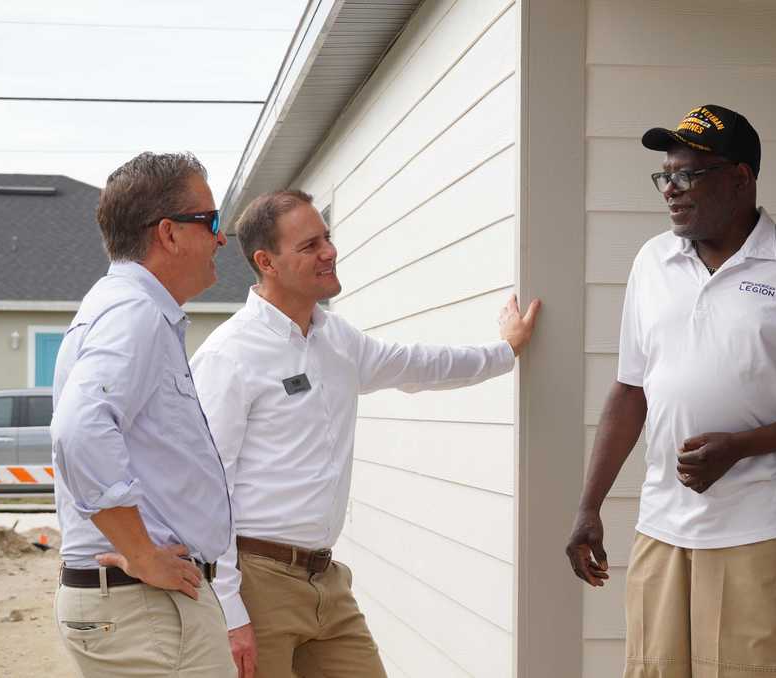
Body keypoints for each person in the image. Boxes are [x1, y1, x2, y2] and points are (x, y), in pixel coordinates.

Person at [190, 189, 540, 678]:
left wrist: (506, 351)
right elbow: (206, 490)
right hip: (255, 582)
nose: (329, 251)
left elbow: (419, 364)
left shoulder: (337, 339)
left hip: (326, 580)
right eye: (309, 245)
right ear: (266, 261)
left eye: (326, 238)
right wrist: (228, 609)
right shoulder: (229, 355)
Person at [565, 105, 776, 678]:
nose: (672, 190)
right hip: (662, 520)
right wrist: (588, 506)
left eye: (689, 175)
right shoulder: (653, 261)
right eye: (665, 176)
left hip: (761, 518)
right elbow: (631, 390)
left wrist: (739, 447)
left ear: (741, 177)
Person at [49, 152, 236, 676]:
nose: (222, 238)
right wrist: (142, 552)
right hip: (144, 607)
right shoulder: (135, 313)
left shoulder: (124, 307)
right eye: (211, 221)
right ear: (170, 234)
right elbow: (79, 429)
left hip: (138, 605)